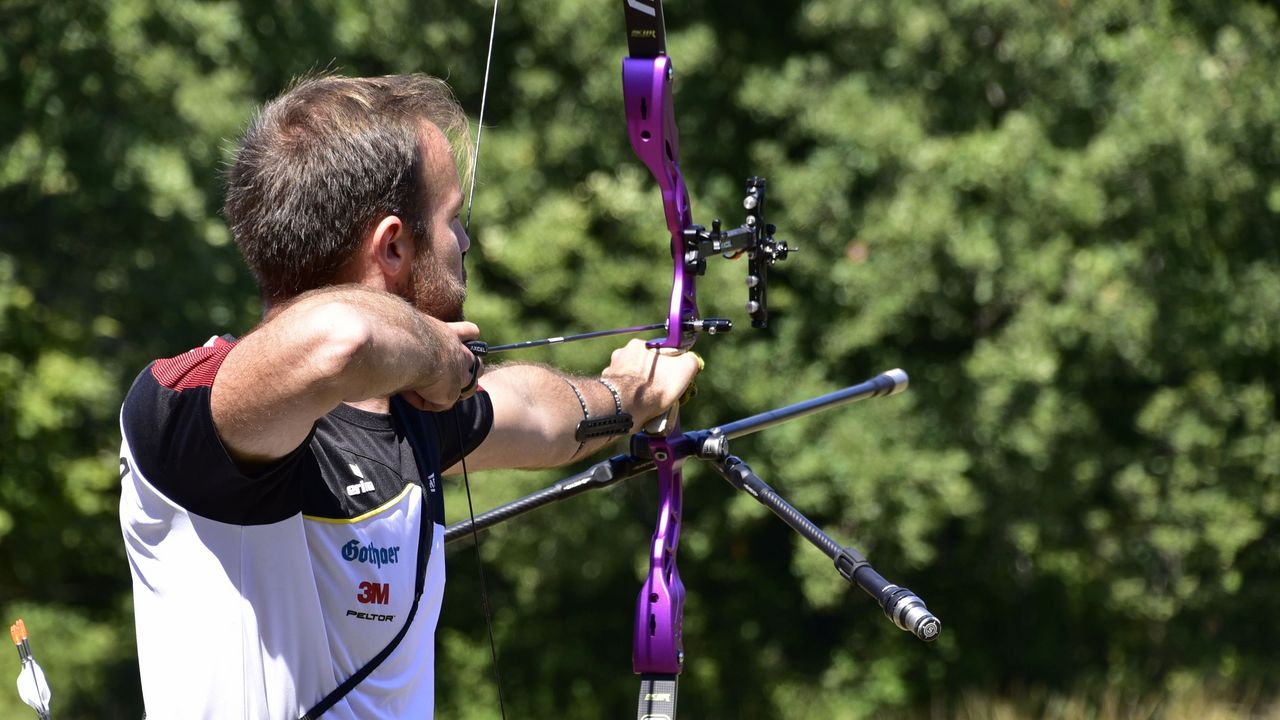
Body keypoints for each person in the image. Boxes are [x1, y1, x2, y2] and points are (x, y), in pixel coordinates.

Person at [117, 74, 700, 719]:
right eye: (453, 220)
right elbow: (341, 339)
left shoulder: (409, 413)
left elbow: (539, 415)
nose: (466, 242)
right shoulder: (195, 416)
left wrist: (628, 392)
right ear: (393, 244)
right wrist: (433, 353)